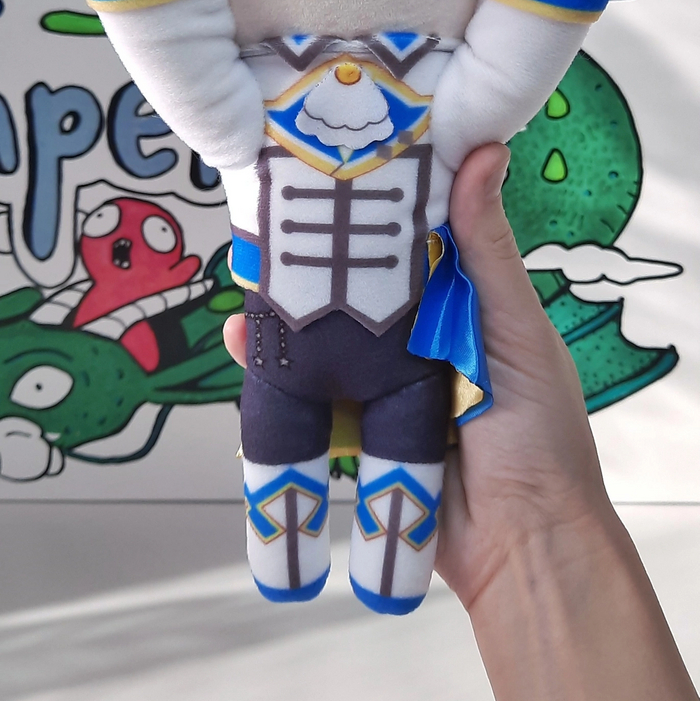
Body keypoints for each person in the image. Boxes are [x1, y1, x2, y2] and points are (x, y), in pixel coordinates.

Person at [224, 143, 698, 700]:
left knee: (375, 480)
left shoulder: (420, 126)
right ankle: (310, 561)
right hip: (330, 359)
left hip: (383, 366)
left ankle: (361, 566)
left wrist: (535, 520)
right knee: (301, 444)